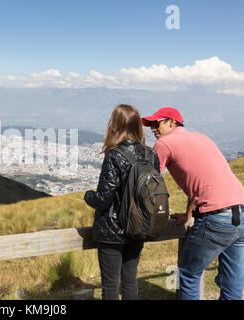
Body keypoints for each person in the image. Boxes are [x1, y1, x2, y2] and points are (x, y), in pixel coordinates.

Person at [142, 107, 244, 300]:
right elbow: (203, 179)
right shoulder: (202, 138)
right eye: (150, 125)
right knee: (233, 287)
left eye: (156, 124)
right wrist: (188, 213)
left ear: (171, 122)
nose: (152, 129)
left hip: (217, 216)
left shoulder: (164, 144)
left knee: (187, 275)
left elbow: (151, 183)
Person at [84, 104, 160, 300]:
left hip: (112, 231)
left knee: (110, 286)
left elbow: (103, 199)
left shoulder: (114, 155)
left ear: (114, 125)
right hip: (139, 227)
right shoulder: (152, 155)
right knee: (129, 281)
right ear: (138, 125)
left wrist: (87, 196)